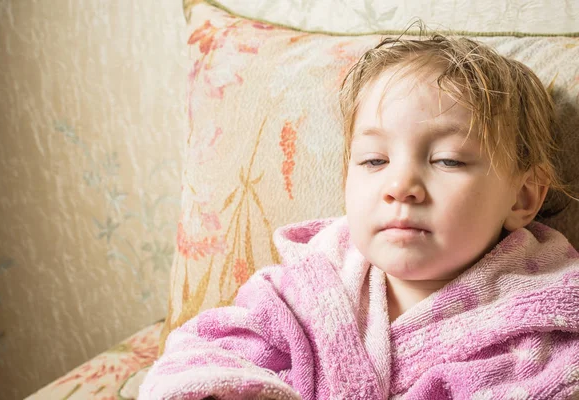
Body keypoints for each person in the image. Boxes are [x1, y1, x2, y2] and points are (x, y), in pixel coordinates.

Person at [140, 35, 579, 399]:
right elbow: (211, 354)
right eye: (373, 161)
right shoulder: (308, 288)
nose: (400, 185)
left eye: (447, 160)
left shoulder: (542, 319)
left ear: (522, 197)